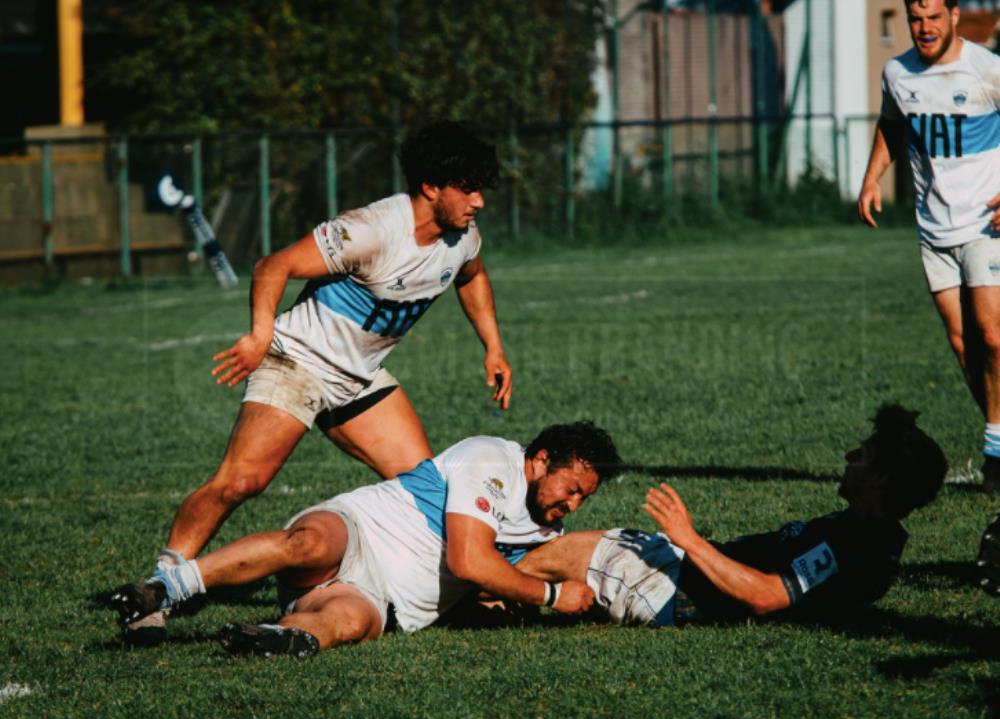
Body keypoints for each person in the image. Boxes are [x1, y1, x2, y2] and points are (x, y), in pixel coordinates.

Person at [118, 122, 515, 640]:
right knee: (241, 482)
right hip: (298, 363)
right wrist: (260, 334)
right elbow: (273, 265)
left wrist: (493, 347)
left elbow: (472, 276)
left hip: (359, 379)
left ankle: (454, 594)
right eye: (469, 189)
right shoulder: (372, 230)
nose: (479, 201)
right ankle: (160, 588)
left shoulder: (462, 238)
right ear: (430, 187)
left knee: (426, 490)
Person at [110, 421, 622, 655]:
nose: (573, 505)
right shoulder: (491, 459)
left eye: (584, 498)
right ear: (540, 460)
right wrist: (551, 595)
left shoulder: (547, 527)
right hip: (359, 530)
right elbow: (469, 561)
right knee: (307, 545)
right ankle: (166, 587)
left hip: (382, 600)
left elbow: (488, 584)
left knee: (347, 623)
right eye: (572, 489)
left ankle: (272, 637)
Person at [515, 406, 948, 626]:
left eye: (863, 455)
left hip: (674, 590)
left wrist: (688, 539)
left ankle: (479, 589)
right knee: (561, 554)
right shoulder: (868, 537)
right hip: (680, 576)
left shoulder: (860, 545)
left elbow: (765, 596)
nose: (850, 456)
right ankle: (497, 587)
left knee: (571, 554)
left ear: (880, 478)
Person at [855, 0, 1000, 589]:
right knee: (964, 345)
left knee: (993, 334)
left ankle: (995, 446)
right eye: (916, 18)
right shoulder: (898, 73)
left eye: (934, 16)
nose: (925, 27)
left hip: (987, 225)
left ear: (955, 15)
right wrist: (872, 177)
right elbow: (892, 126)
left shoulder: (987, 69)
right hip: (933, 231)